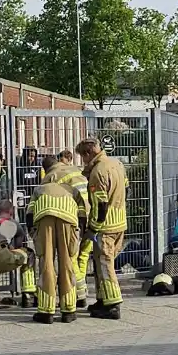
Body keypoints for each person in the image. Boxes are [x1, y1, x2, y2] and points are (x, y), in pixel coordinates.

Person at [27, 155, 86, 324]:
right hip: (68, 218)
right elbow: (82, 212)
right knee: (67, 262)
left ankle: (46, 312)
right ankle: (69, 310)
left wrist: (33, 232)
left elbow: (29, 213)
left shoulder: (40, 188)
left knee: (46, 264)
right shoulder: (71, 188)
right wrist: (79, 232)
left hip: (44, 217)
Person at [76, 137, 129, 319]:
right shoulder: (117, 164)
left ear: (88, 153)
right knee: (101, 264)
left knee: (105, 265)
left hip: (105, 226)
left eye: (82, 157)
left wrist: (93, 228)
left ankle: (113, 304)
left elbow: (100, 205)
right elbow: (126, 188)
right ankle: (102, 299)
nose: (83, 161)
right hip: (120, 221)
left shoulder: (98, 172)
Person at [52, 149, 92, 307]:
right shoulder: (77, 171)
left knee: (72, 257)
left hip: (75, 218)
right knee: (83, 256)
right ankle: (81, 292)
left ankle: (80, 294)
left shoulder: (57, 176)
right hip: (90, 216)